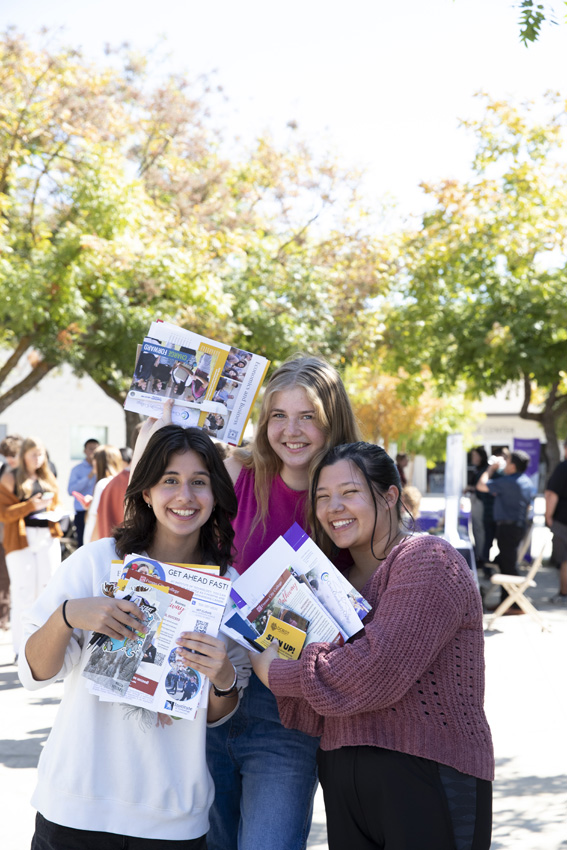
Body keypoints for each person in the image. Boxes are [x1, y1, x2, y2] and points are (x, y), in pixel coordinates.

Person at [132, 355, 361, 850]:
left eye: (308, 417)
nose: (291, 430)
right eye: (279, 415)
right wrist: (155, 432)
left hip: (289, 705)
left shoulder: (346, 494)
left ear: (332, 420)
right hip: (210, 684)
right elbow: (157, 520)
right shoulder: (235, 471)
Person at [252, 442, 494, 850]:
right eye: (323, 497)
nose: (334, 507)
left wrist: (274, 672)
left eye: (349, 492)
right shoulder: (332, 580)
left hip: (427, 771)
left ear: (389, 495)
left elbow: (375, 671)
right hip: (343, 776)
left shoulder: (427, 559)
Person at [19, 425, 251, 849]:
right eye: (169, 481)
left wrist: (222, 676)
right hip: (75, 806)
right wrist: (69, 615)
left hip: (172, 816)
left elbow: (219, 713)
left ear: (215, 494)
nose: (185, 496)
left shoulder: (228, 587)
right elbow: (33, 671)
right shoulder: (97, 562)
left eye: (199, 482)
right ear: (146, 492)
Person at [0, 437, 63, 659]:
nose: (38, 459)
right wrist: (30, 505)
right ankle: (21, 649)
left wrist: (55, 511)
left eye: (41, 454)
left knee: (48, 590)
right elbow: (4, 513)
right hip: (20, 539)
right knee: (23, 593)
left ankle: (45, 646)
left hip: (47, 536)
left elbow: (57, 504)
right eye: (33, 454)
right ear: (23, 455)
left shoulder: (48, 477)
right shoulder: (9, 477)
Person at [476, 449, 536, 613]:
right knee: (504, 563)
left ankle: (516, 604)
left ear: (513, 466)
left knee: (508, 566)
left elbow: (481, 485)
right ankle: (507, 602)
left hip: (508, 528)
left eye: (507, 461)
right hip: (515, 526)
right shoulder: (525, 481)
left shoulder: (509, 481)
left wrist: (491, 469)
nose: (504, 464)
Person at [83, 445, 123, 546]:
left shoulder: (103, 484)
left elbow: (98, 518)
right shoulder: (119, 483)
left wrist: (90, 548)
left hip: (98, 543)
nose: (93, 463)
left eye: (95, 459)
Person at [544, 438, 567, 604]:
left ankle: (564, 594)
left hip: (563, 521)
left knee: (565, 560)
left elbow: (551, 494)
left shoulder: (563, 468)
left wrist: (548, 516)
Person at [67, 438, 99, 547]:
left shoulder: (104, 468)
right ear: (84, 451)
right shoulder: (77, 469)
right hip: (82, 512)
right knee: (82, 544)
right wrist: (90, 475)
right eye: (90, 449)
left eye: (96, 449)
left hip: (98, 511)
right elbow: (71, 490)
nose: (93, 452)